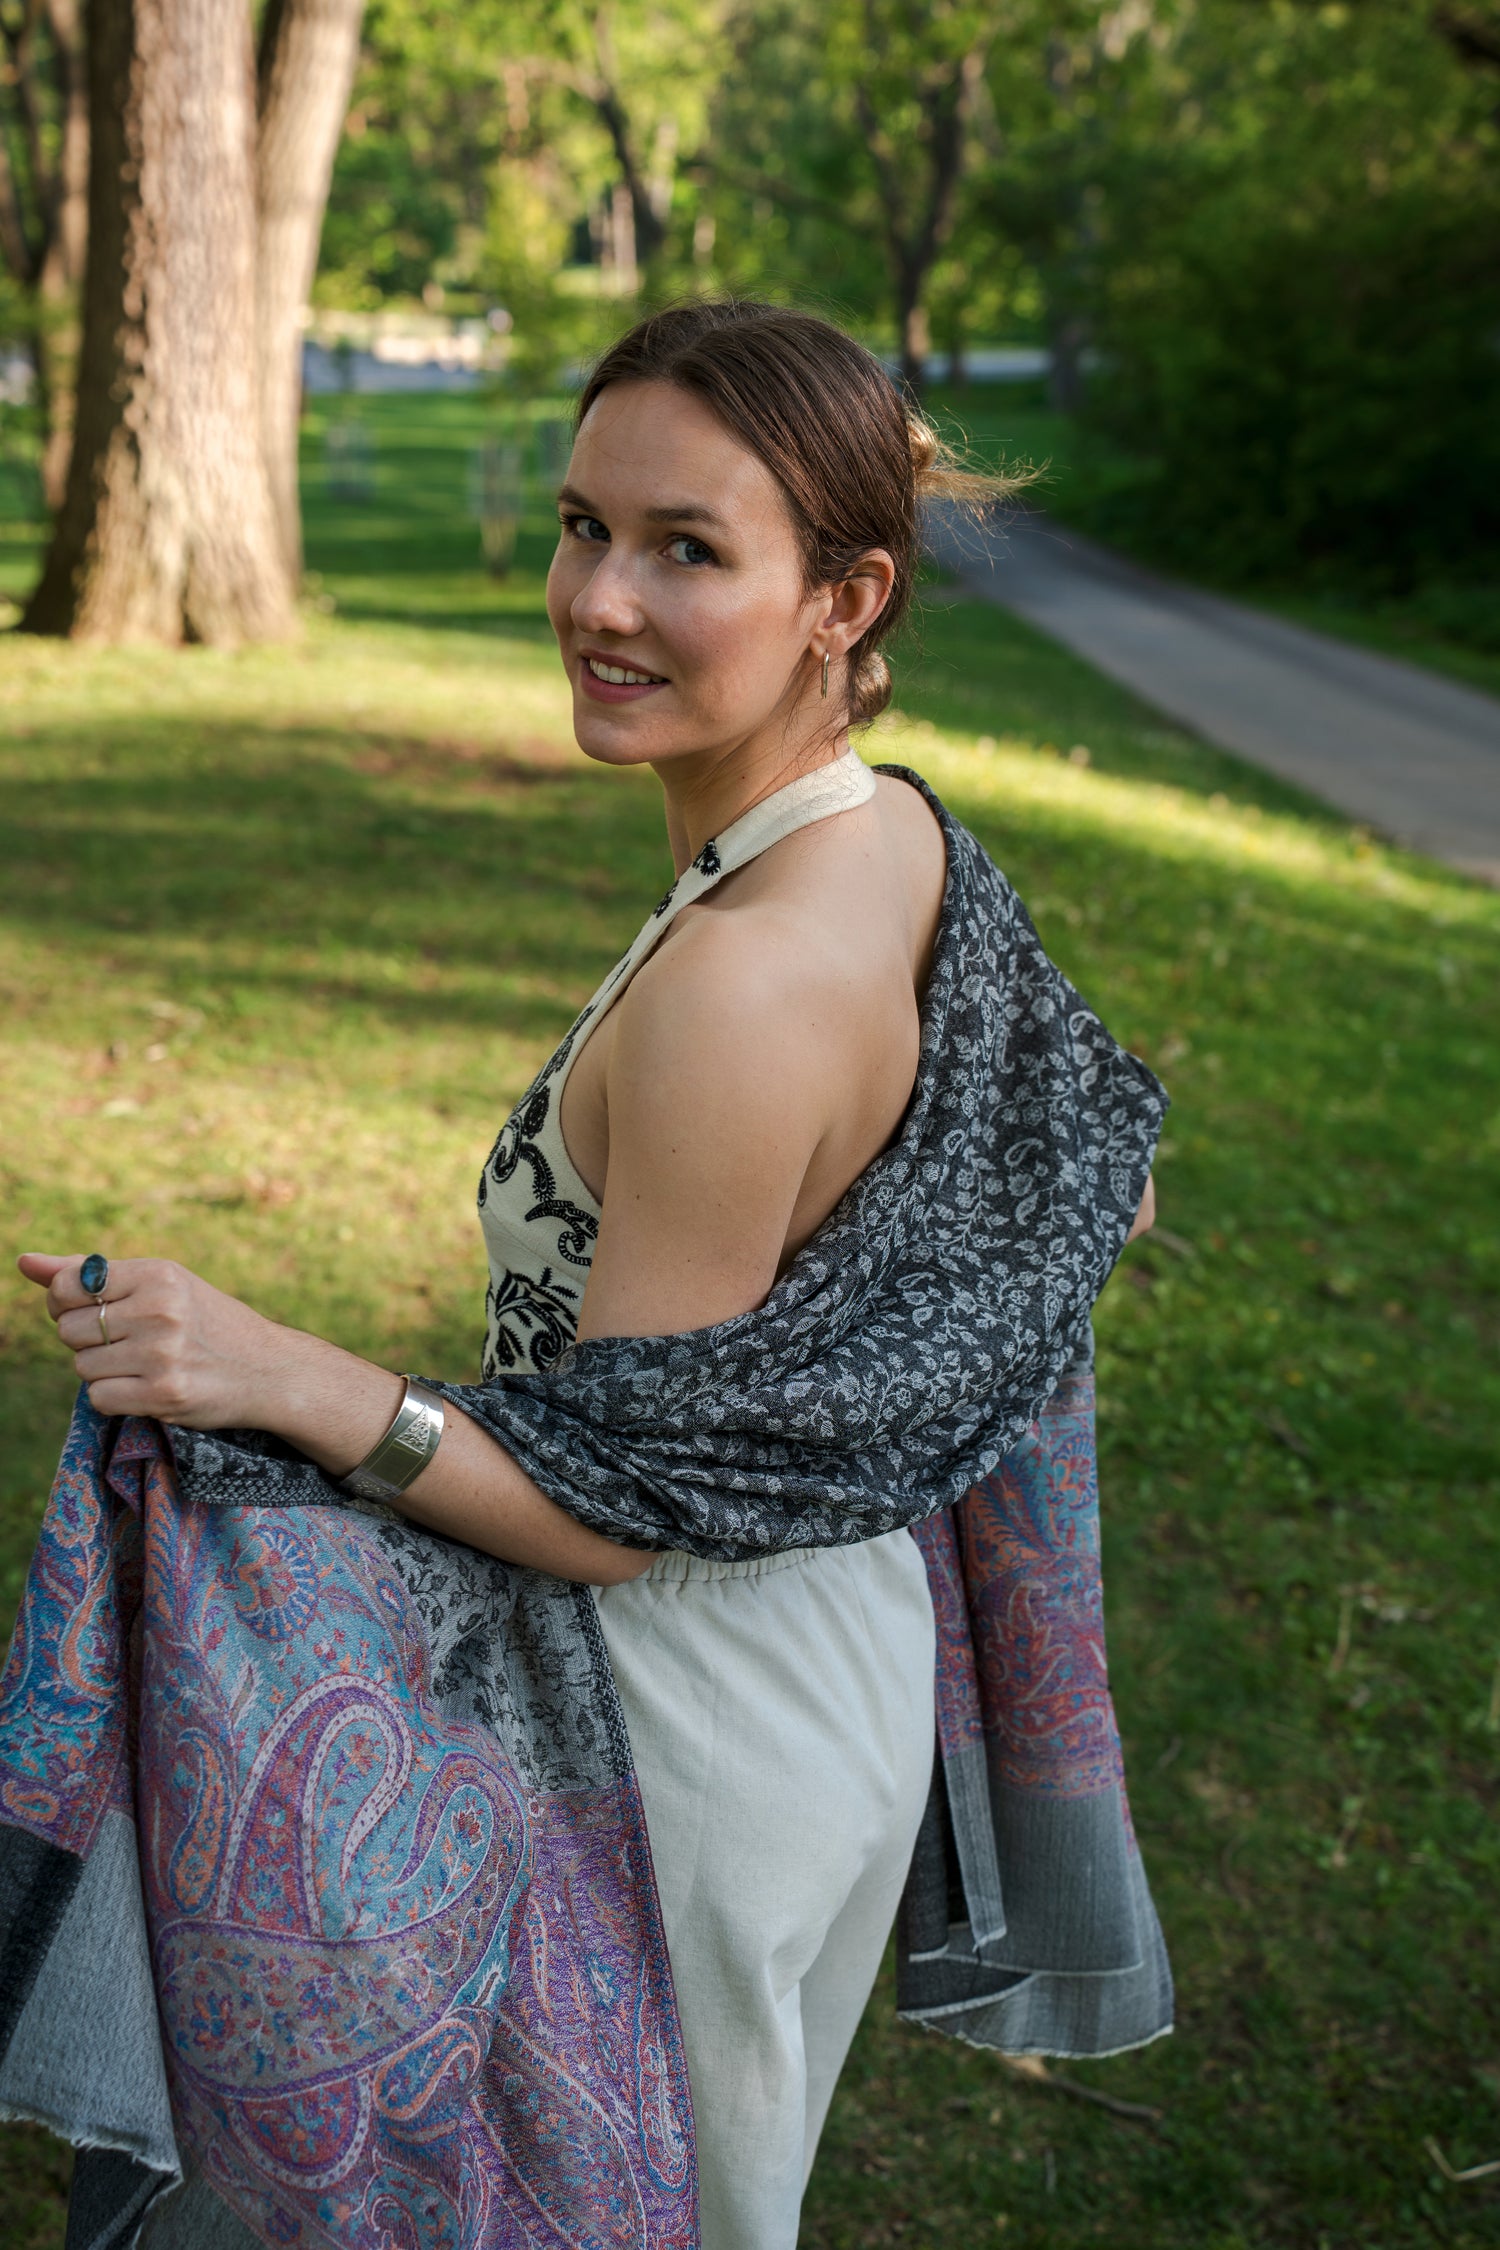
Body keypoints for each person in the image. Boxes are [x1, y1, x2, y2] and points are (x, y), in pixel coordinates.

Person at [19, 299, 1155, 2249]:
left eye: (688, 551)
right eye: (580, 524)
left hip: (688, 1733)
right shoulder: (888, 841)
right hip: (826, 1648)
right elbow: (1085, 1185)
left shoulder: (742, 991)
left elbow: (620, 1505)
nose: (599, 599)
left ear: (844, 596)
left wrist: (286, 1376)